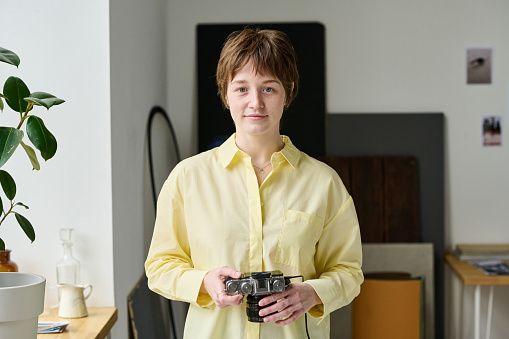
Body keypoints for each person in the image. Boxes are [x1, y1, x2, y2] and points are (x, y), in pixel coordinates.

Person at [145, 27, 363, 339]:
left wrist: (312, 293)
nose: (255, 103)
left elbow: (350, 273)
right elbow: (160, 267)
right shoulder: (187, 178)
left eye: (269, 89)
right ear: (225, 94)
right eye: (242, 89)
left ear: (287, 91)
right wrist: (204, 282)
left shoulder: (324, 183)